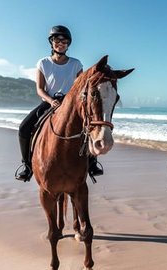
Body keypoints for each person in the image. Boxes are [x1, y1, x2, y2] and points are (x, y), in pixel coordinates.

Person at [15, 25, 104, 182]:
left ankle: (92, 164)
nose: (61, 43)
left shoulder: (76, 64)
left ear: (68, 44)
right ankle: (27, 166)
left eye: (65, 41)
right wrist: (51, 101)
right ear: (51, 42)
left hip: (70, 104)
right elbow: (40, 89)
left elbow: (80, 86)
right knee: (24, 128)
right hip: (49, 103)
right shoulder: (43, 63)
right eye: (57, 40)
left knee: (89, 127)